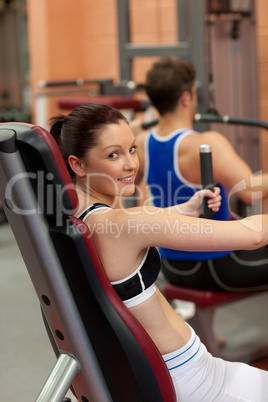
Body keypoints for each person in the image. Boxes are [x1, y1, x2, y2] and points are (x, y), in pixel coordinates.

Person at [49, 102, 268, 401]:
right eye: (113, 154)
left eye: (132, 149)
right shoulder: (126, 223)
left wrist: (183, 209)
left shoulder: (75, 219)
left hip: (174, 373)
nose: (130, 164)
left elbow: (140, 224)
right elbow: (253, 235)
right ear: (78, 164)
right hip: (192, 379)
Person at [135, 56, 268, 293]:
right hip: (219, 267)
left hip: (171, 266)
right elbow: (250, 191)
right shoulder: (206, 143)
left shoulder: (143, 142)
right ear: (186, 97)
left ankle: (206, 332)